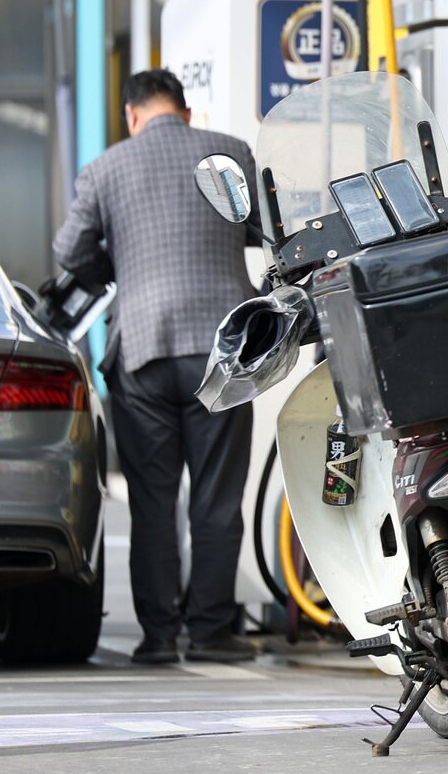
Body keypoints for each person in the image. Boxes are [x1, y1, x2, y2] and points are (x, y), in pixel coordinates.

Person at [54, 69, 259, 664]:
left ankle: (160, 636)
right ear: (185, 112)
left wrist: (117, 273)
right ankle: (213, 631)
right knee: (217, 500)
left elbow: (67, 253)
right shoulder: (229, 153)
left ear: (131, 115)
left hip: (140, 348)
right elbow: (262, 228)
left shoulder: (105, 168)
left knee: (152, 502)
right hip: (224, 349)